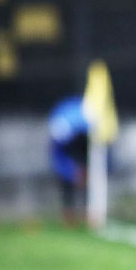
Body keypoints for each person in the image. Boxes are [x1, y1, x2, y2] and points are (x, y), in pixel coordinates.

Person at [48, 96, 91, 226]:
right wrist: (71, 172)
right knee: (66, 185)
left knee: (87, 184)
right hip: (69, 161)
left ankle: (88, 213)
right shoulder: (59, 137)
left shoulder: (87, 132)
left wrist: (86, 171)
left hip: (84, 155)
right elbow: (58, 160)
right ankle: (69, 215)